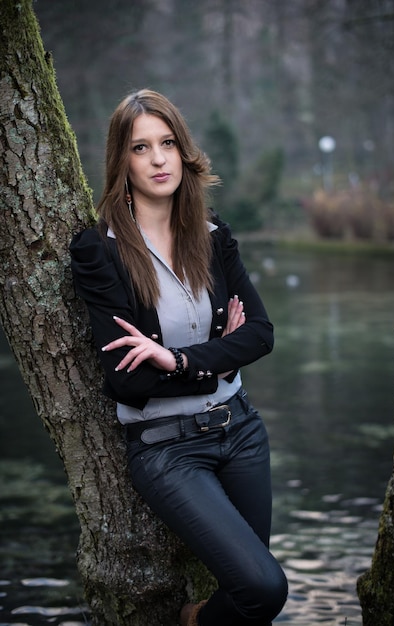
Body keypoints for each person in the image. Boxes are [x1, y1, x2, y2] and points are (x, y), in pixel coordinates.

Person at [70, 89, 288, 626]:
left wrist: (177, 361)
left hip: (240, 430)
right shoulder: (100, 249)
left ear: (183, 151)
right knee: (264, 588)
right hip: (166, 450)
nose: (159, 159)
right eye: (141, 148)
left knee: (247, 595)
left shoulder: (212, 235)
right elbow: (127, 382)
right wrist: (219, 358)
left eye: (167, 143)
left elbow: (260, 333)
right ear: (121, 160)